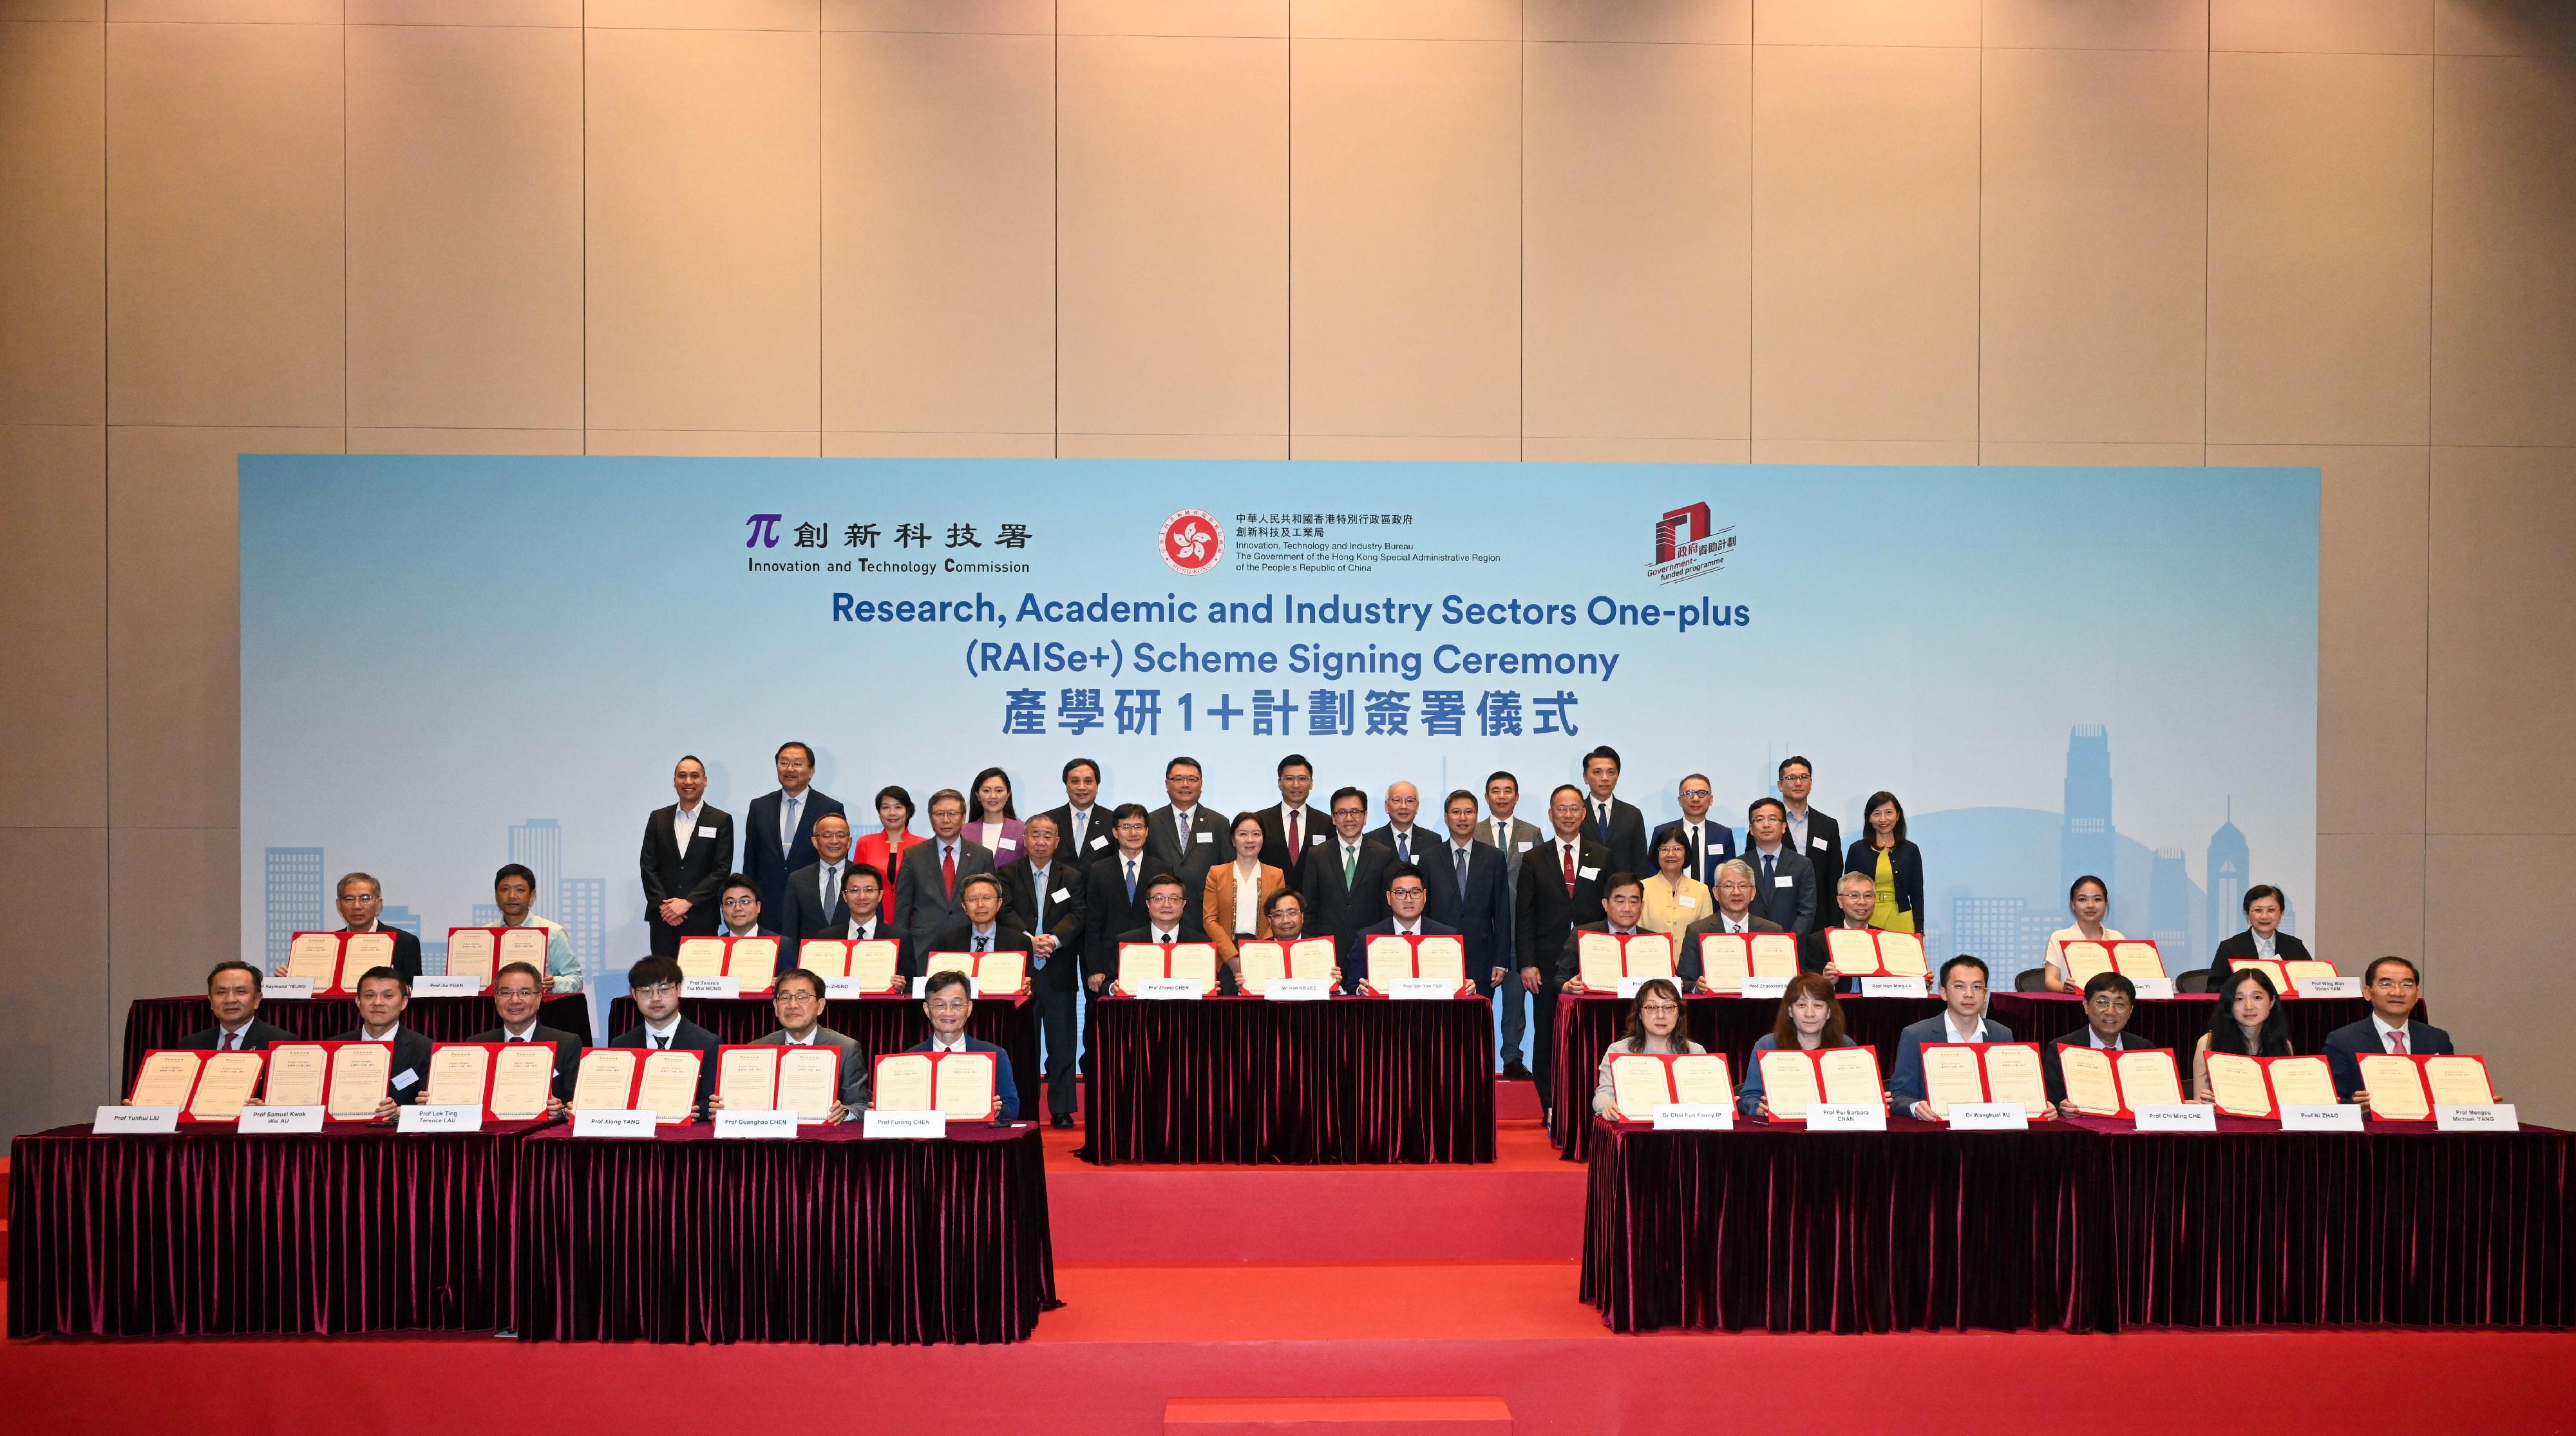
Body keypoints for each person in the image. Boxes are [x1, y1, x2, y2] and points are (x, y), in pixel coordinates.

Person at [1519, 784, 1609, 1112]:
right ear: (1551, 814)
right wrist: (1527, 963)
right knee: (1546, 1036)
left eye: (1574, 809)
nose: (1568, 815)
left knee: (1587, 1039)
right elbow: (1524, 914)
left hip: (1592, 961)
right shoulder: (1534, 857)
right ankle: (1550, 1107)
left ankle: (1586, 1105)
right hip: (1545, 964)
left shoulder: (1601, 855)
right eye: (1561, 809)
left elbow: (1607, 911)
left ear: (1584, 814)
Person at [997, 813, 1087, 1126]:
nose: (1040, 841)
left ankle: (1061, 1109)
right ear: (1024, 840)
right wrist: (1029, 940)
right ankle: (1027, 1106)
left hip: (1059, 967)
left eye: (1047, 835)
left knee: (1063, 1042)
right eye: (1034, 834)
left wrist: (1054, 940)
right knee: (1026, 1043)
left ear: (1057, 841)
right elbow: (1004, 911)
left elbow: (1078, 914)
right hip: (1021, 970)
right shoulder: (1007, 874)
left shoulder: (1072, 876)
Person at [708, 968, 864, 1121]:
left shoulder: (847, 1048)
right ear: (776, 1007)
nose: (792, 1005)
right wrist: (722, 1107)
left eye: (802, 997)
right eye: (785, 998)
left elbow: (862, 1105)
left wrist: (844, 1112)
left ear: (820, 1006)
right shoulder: (757, 1048)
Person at [2321, 956, 2458, 1106]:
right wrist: (2355, 1106)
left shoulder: (2437, 1039)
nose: (2397, 992)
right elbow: (2330, 1101)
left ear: (2417, 994)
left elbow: (2450, 1094)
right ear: (2367, 992)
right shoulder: (2342, 1041)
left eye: (2406, 984)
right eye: (2386, 984)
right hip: (2372, 1128)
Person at [1891, 956, 2014, 1119]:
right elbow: (1899, 1095)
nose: (1969, 994)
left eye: (1977, 987)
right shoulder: (1916, 1035)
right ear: (1943, 993)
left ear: (1985, 994)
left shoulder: (2002, 1035)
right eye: (1959, 986)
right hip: (1937, 1132)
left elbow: (2012, 1091)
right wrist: (1915, 1106)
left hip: (1989, 1128)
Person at [639, 754, 734, 958]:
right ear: (675, 781)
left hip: (701, 917)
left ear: (705, 781)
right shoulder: (658, 818)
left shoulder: (721, 820)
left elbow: (721, 870)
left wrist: (687, 902)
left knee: (699, 983)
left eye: (695, 776)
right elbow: (648, 866)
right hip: (664, 918)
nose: (688, 781)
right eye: (682, 776)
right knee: (663, 980)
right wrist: (666, 906)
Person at [743, 741, 845, 920]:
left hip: (813, 906)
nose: (790, 769)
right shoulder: (759, 807)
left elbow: (835, 860)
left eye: (797, 764)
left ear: (812, 771)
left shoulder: (829, 807)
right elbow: (751, 860)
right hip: (768, 906)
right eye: (783, 763)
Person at [1483, 771, 1542, 1081]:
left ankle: (1512, 1058)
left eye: (1508, 791)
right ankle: (1478, 1058)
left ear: (1517, 797)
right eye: (1496, 791)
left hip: (1520, 931)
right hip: (1485, 930)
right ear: (1487, 796)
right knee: (1481, 1002)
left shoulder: (1532, 832)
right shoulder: (1473, 831)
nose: (1502, 796)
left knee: (1516, 1003)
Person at [1426, 789, 1512, 999]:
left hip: (1482, 959)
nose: (1462, 818)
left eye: (1469, 812)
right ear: (1447, 818)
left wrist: (1501, 960)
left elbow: (1502, 912)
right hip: (1438, 956)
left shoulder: (1493, 858)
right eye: (1456, 812)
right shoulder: (1430, 858)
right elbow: (1424, 911)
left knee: (1477, 1023)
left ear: (1476, 816)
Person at [1735, 972, 1858, 1120]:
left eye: (1818, 1005)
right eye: (1801, 1005)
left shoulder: (1846, 1046)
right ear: (1790, 1011)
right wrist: (1758, 1108)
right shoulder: (1767, 1045)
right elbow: (1748, 1098)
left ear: (1829, 1012)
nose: (1809, 1014)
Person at [610, 955, 720, 1119]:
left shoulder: (708, 1043)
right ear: (634, 994)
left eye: (664, 989)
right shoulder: (621, 1045)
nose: (656, 998)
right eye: (646, 991)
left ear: (679, 989)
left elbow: (711, 1100)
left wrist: (694, 1110)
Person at [902, 969, 1020, 1121]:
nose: (948, 1013)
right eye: (939, 1005)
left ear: (969, 1008)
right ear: (927, 1009)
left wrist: (998, 1111)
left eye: (957, 1005)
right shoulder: (909, 1058)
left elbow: (1012, 1108)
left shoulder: (996, 1055)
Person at [2040, 970, 2164, 1113]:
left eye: (2120, 1004)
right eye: (2102, 1002)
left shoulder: (2144, 1049)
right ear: (2086, 1005)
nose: (2111, 1012)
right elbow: (2051, 1103)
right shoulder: (2061, 1049)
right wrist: (2062, 1109)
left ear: (2131, 1011)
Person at [891, 788, 996, 948]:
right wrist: (900, 947)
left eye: (952, 813)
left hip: (968, 942)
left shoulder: (982, 856)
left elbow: (991, 905)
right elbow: (903, 907)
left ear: (963, 817)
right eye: (939, 814)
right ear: (931, 818)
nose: (945, 820)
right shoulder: (914, 855)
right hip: (924, 944)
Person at [468, 960, 578, 1108]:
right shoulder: (477, 1044)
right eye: (505, 993)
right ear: (495, 999)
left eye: (524, 993)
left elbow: (574, 1102)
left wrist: (561, 1110)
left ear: (539, 999)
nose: (515, 1000)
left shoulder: (567, 1044)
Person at [1590, 978, 1706, 1119]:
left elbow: (1706, 1097)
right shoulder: (1619, 1051)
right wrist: (1608, 1106)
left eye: (1669, 1007)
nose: (1661, 1015)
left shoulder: (1696, 1052)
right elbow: (1604, 1094)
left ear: (1679, 1014)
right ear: (1639, 1013)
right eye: (1652, 1008)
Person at [1300, 786, 1395, 954]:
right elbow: (1309, 907)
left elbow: (1387, 907)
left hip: (1370, 946)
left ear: (1365, 816)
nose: (1349, 818)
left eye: (1355, 812)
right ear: (1333, 818)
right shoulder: (1317, 855)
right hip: (1327, 947)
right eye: (1342, 812)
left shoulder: (1383, 855)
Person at [327, 967, 430, 1117]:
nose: (378, 1002)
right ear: (358, 1001)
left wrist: (401, 1111)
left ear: (404, 1003)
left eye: (388, 996)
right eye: (369, 996)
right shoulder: (334, 1046)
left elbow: (427, 1105)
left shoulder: (425, 1049)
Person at [1084, 804, 1157, 1003]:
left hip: (1151, 960)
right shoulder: (1098, 870)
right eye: (1126, 827)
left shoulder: (1162, 869)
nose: (1133, 833)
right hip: (1109, 965)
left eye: (1139, 826)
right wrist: (1095, 968)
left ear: (1147, 831)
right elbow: (1092, 923)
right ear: (1115, 832)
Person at [1350, 863, 1463, 992]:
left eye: (1415, 892)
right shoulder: (1367, 938)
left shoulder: (1447, 937)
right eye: (1400, 892)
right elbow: (1353, 984)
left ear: (1424, 896)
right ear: (1389, 897)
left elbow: (1458, 983)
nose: (1408, 899)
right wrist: (1361, 990)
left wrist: (1467, 987)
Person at [1677, 859, 1784, 989]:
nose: (1736, 892)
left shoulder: (1772, 932)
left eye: (1743, 886)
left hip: (1761, 1008)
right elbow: (1684, 981)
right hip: (1714, 1007)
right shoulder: (1697, 931)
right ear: (1716, 893)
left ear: (1753, 893)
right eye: (1728, 886)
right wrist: (1696, 986)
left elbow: (1783, 980)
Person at [1144, 756, 1223, 932]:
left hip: (1205, 914)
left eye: (1192, 779)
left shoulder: (1219, 823)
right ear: (1167, 784)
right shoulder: (1151, 822)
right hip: (1160, 914)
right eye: (1178, 779)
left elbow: (1226, 871)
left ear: (1201, 784)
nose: (1185, 785)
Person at [2192, 965, 2293, 1102]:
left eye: (2257, 997)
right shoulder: (2208, 1043)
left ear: (2271, 1002)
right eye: (2239, 999)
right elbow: (2199, 1101)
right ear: (2229, 1005)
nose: (2249, 1006)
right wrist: (2207, 1106)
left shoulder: (2283, 1045)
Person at [1203, 810, 1287, 967]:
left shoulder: (1276, 875)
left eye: (1256, 834)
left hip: (1264, 952)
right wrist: (1231, 957)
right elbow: (1210, 920)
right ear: (1233, 840)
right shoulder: (1217, 873)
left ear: (1263, 840)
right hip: (1225, 954)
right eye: (1242, 834)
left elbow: (1278, 918)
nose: (1250, 840)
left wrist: (1261, 952)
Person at [1116, 873, 1226, 991]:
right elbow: (1108, 984)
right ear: (1148, 904)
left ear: (1183, 904)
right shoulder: (1127, 942)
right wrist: (1114, 988)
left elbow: (1217, 989)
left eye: (1174, 899)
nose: (1167, 905)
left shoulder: (1202, 944)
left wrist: (1213, 989)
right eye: (1159, 899)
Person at [492, 864, 581, 992]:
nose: (512, 896)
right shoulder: (485, 934)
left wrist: (554, 984)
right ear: (496, 895)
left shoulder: (553, 933)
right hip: (491, 1010)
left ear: (532, 895)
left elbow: (576, 979)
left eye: (520, 890)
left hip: (541, 1010)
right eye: (505, 889)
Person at [1556, 872, 1652, 991]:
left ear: (1642, 906)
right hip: (1594, 1008)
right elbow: (1559, 979)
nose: (1627, 909)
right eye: (1620, 901)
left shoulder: (1654, 940)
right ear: (1605, 905)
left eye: (1633, 902)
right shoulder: (1582, 935)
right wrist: (1569, 986)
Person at [1845, 791, 1924, 935]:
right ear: (1869, 818)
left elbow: (1917, 894)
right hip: (1867, 915)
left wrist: (1920, 928)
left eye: (1889, 812)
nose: (1883, 819)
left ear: (1898, 815)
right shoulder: (1857, 849)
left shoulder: (1911, 850)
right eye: (1877, 814)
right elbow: (1848, 891)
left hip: (1901, 918)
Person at [2206, 883, 2313, 983]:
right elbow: (2214, 988)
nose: (2265, 916)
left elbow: (2310, 984)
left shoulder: (2295, 947)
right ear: (2247, 913)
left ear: (2281, 913)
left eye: (2271, 910)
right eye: (2258, 910)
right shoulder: (2230, 948)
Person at [1775, 756, 1843, 911]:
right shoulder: (1766, 823)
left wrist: (1834, 921)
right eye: (1791, 778)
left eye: (1804, 777)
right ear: (1780, 785)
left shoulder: (1828, 826)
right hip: (1776, 913)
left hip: (1818, 913)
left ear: (1811, 782)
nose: (1798, 783)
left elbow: (1834, 877)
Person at [1251, 753, 1331, 887]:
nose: (1296, 784)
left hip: (1312, 903)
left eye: (1302, 779)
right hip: (1270, 900)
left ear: (1311, 783)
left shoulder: (1326, 823)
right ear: (1279, 783)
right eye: (1289, 778)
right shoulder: (1260, 820)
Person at [325, 872, 422, 979]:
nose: (357, 906)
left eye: (365, 899)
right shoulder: (330, 944)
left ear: (378, 904)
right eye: (349, 899)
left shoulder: (404, 942)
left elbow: (413, 989)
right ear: (339, 905)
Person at [178, 961, 293, 1051]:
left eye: (240, 992)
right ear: (211, 1001)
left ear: (257, 1000)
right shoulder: (192, 1044)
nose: (230, 1000)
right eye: (222, 992)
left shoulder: (282, 1043)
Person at [1743, 798, 1817, 934]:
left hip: (1791, 945)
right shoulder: (1739, 866)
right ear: (1751, 829)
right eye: (1759, 820)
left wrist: (1789, 941)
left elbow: (1807, 911)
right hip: (1750, 944)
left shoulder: (1802, 864)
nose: (1766, 825)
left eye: (1773, 819)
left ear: (1784, 827)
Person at [779, 813, 853, 949]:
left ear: (849, 842)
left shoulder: (863, 877)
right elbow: (790, 929)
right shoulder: (798, 879)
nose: (834, 841)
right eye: (827, 835)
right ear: (815, 842)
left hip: (852, 960)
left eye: (841, 835)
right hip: (809, 962)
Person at [2038, 874, 2123, 992]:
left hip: (2109, 1008)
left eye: (2097, 899)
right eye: (2082, 899)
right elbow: (2050, 981)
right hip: (2071, 1006)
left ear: (2105, 903)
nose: (2090, 905)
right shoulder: (2059, 937)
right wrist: (2063, 988)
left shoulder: (2117, 938)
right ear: (2073, 904)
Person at [1650, 773, 1737, 885]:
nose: (1696, 799)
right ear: (1680, 800)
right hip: (1671, 899)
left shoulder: (1723, 835)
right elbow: (1652, 872)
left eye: (1702, 793)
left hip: (1712, 901)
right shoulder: (1662, 832)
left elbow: (1729, 876)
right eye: (1689, 794)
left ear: (1711, 800)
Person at [1580, 745, 1651, 880]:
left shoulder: (1632, 814)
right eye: (1597, 772)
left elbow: (1640, 862)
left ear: (1618, 776)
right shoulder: (1576, 812)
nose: (1605, 778)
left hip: (1622, 893)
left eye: (1611, 772)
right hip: (1583, 892)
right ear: (1585, 777)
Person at [930, 873, 1032, 965]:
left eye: (986, 898)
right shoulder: (948, 942)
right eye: (973, 899)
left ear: (999, 904)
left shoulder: (1019, 942)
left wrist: (1026, 984)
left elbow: (1028, 979)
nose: (980, 905)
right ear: (965, 907)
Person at [1799, 871, 1880, 981]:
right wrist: (1825, 981)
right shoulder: (1819, 941)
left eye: (1868, 896)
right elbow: (1808, 990)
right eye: (1854, 896)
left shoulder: (1883, 940)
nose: (1862, 902)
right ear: (1840, 901)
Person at [1637, 829, 1715, 943]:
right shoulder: (1642, 888)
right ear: (1657, 854)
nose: (1671, 854)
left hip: (1690, 960)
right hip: (1651, 958)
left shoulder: (1701, 890)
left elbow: (1706, 936)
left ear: (1686, 853)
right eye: (1665, 849)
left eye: (1677, 849)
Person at [850, 784, 927, 894]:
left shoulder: (922, 845)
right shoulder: (865, 843)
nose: (892, 813)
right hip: (874, 909)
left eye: (898, 807)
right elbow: (857, 882)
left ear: (908, 812)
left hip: (911, 909)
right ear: (879, 813)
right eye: (886, 807)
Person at [1257, 889, 1343, 987]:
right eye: (1278, 915)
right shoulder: (1258, 952)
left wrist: (1335, 985)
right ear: (1269, 920)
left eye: (1292, 913)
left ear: (1302, 916)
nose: (1286, 920)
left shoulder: (1323, 950)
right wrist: (1245, 986)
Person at [1035, 757, 1112, 862]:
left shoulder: (1112, 821)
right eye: (1075, 781)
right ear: (1066, 786)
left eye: (1088, 781)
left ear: (1097, 786)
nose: (1081, 787)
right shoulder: (1048, 820)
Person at [965, 766, 1026, 862]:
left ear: (1008, 794)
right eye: (986, 791)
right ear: (977, 795)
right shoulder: (963, 831)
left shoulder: (1023, 830)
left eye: (999, 791)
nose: (993, 796)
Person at [1367, 780, 1432, 865]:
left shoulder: (1432, 840)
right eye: (1397, 800)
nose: (1404, 806)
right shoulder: (1371, 840)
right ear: (1387, 806)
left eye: (1410, 801)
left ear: (1417, 807)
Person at [715, 873, 780, 938]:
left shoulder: (780, 944)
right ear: (722, 909)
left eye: (745, 902)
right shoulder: (715, 946)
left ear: (758, 907)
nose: (737, 908)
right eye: (730, 903)